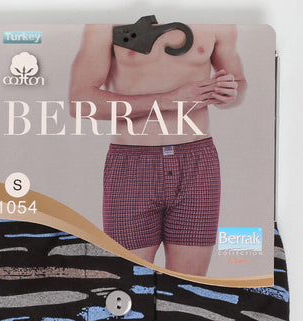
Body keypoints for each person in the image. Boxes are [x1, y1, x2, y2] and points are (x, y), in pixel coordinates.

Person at [69, 22, 246, 276]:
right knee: (129, 282)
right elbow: (79, 102)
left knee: (189, 285)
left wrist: (230, 94)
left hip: (197, 163)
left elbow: (238, 83)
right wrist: (168, 100)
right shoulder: (107, 23)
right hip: (131, 164)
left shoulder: (217, 21)